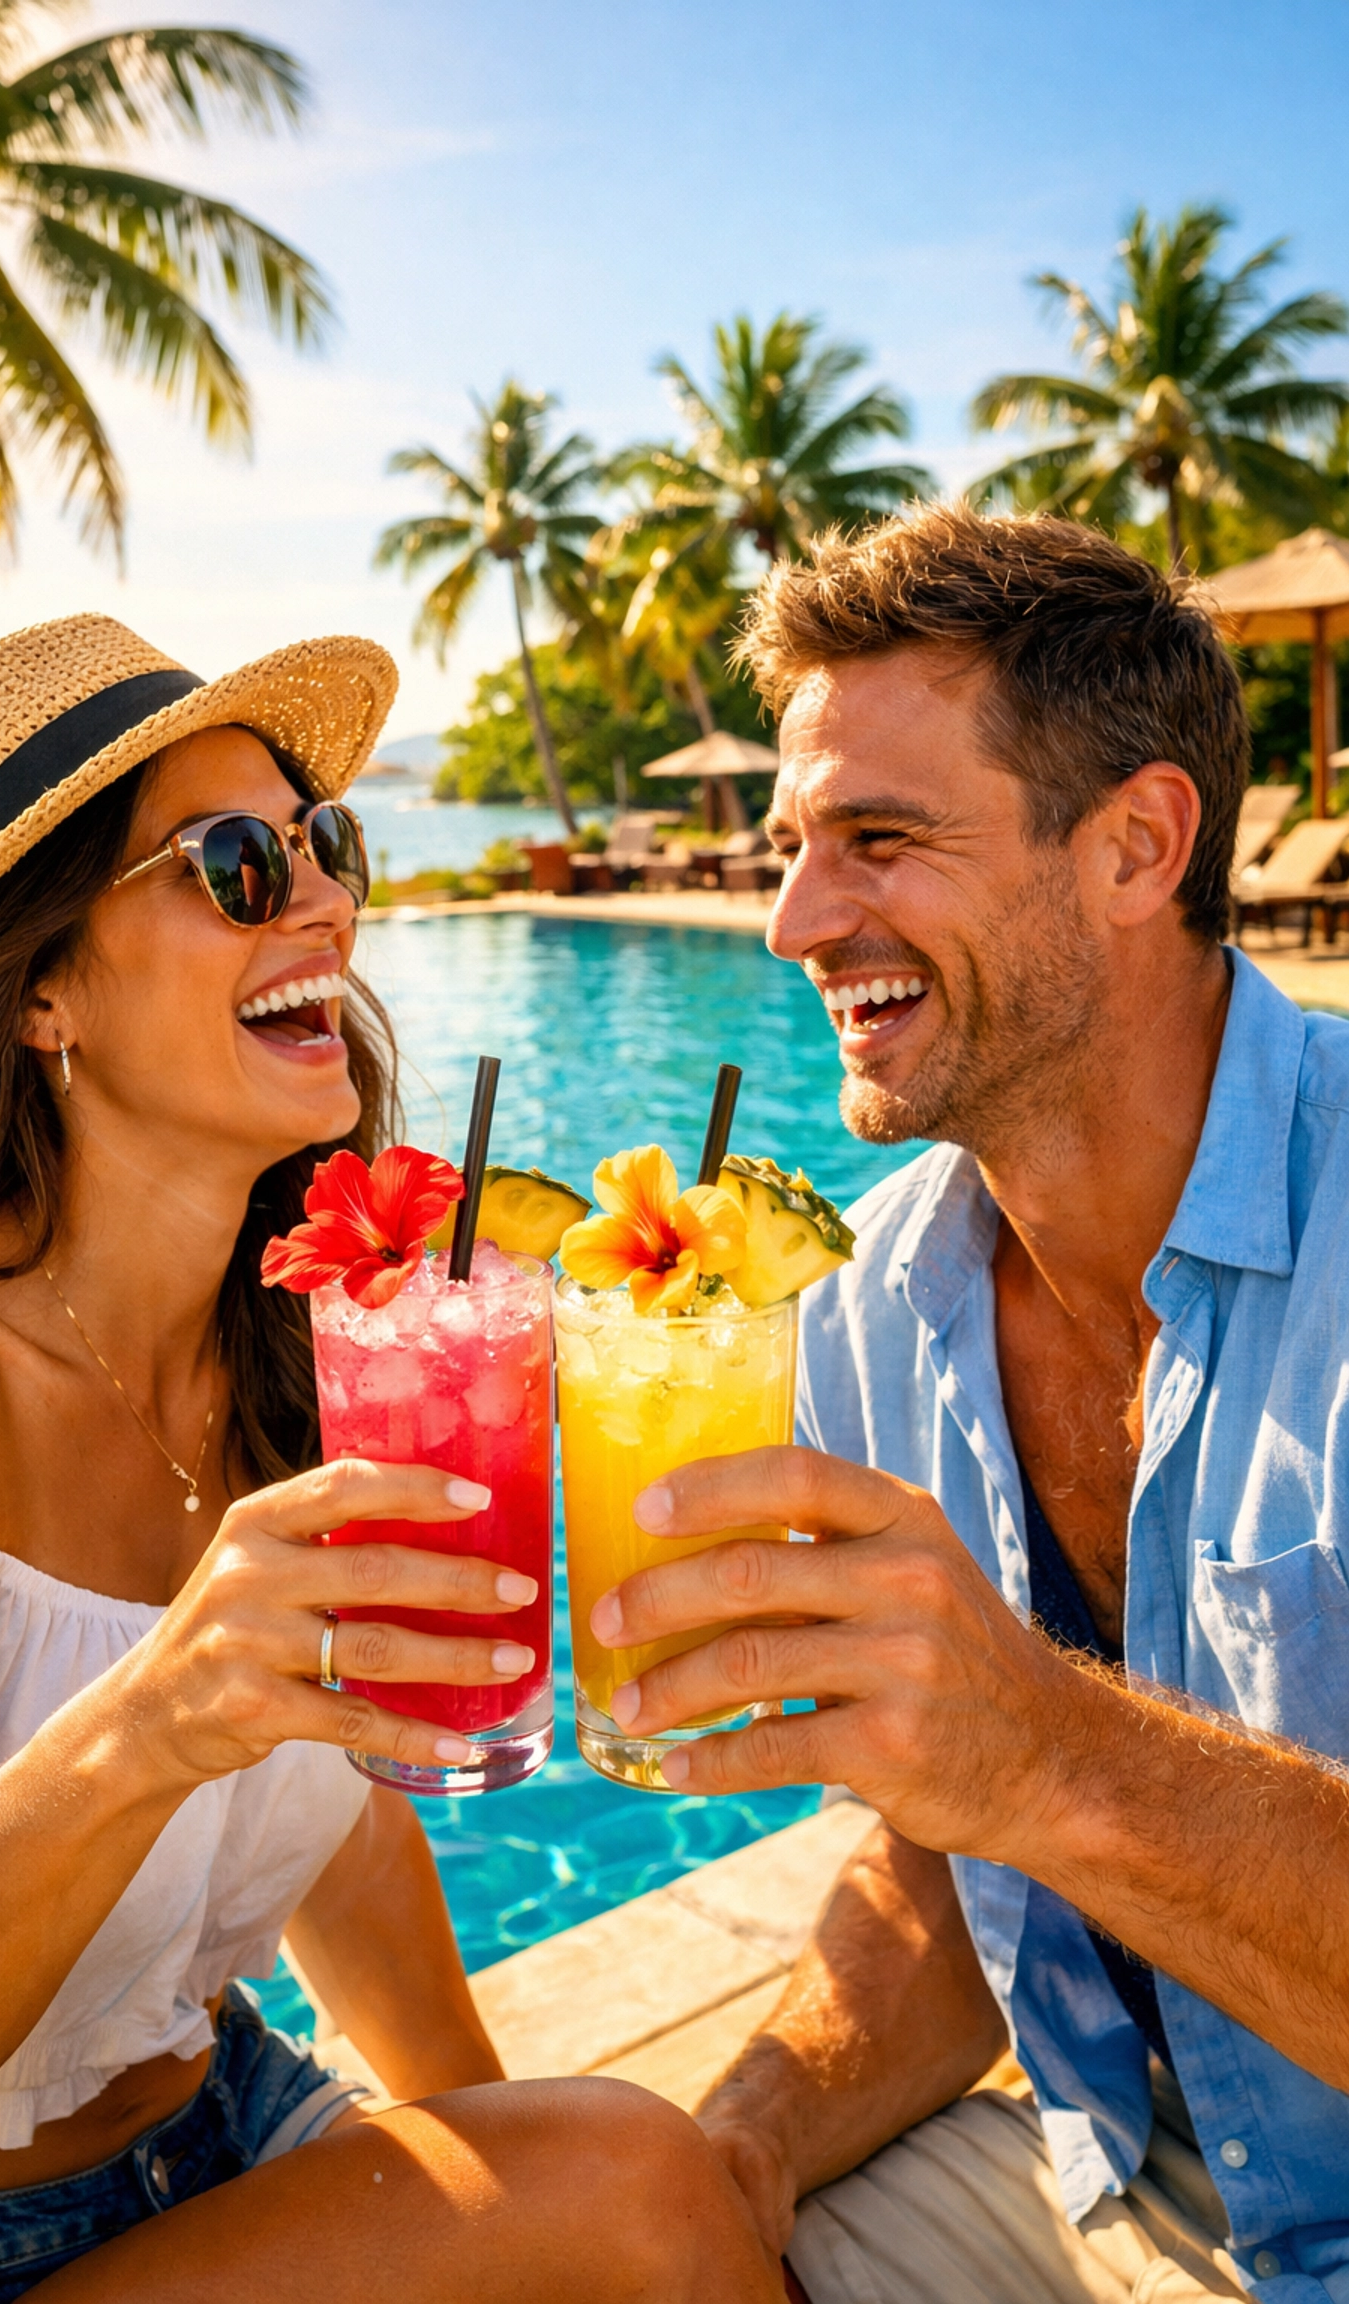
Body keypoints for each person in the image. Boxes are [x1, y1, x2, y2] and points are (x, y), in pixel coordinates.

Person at [0, 615, 780, 2304]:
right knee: (634, 2175)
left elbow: (339, 1824)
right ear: (41, 987)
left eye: (323, 841)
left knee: (647, 2195)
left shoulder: (317, 1350)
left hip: (229, 2140)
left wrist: (533, 2193)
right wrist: (154, 1721)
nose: (330, 902)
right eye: (240, 864)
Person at [586, 508, 1349, 2302]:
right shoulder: (860, 1305)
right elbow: (949, 1869)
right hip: (1104, 2176)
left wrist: (1046, 1748)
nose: (790, 920)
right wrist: (747, 2145)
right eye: (791, 847)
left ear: (1138, 846)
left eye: (880, 840)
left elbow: (1028, 1773)